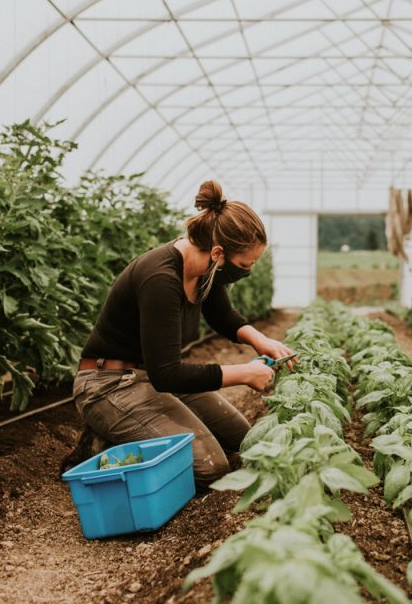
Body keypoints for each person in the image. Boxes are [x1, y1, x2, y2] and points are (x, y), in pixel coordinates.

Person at [60, 180, 296, 489]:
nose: (246, 272)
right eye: (244, 264)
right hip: (110, 386)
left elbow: (222, 315)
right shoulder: (161, 279)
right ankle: (107, 441)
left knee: (242, 438)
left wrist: (261, 340)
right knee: (210, 467)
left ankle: (142, 432)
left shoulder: (204, 270)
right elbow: (168, 375)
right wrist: (244, 373)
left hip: (150, 379)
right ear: (218, 252)